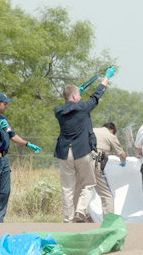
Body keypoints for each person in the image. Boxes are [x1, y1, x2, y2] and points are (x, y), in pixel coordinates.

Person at [54, 66, 115, 223]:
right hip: (82, 152)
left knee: (67, 188)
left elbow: (69, 104)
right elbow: (96, 95)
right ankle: (80, 210)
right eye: (78, 96)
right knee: (88, 183)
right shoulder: (83, 107)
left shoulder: (58, 110)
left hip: (64, 153)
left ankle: (68, 220)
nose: (81, 98)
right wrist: (106, 78)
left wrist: (76, 94)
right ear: (75, 96)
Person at [0, 92, 42, 222]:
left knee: (5, 191)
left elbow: (12, 135)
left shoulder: (3, 119)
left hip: (4, 159)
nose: (6, 106)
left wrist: (28, 144)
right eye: (4, 103)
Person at [73, 122, 127, 217]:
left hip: (78, 161)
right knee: (106, 194)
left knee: (79, 189)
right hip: (94, 162)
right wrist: (123, 161)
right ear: (112, 130)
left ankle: (76, 214)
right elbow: (121, 154)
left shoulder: (90, 130)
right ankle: (109, 219)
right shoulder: (110, 135)